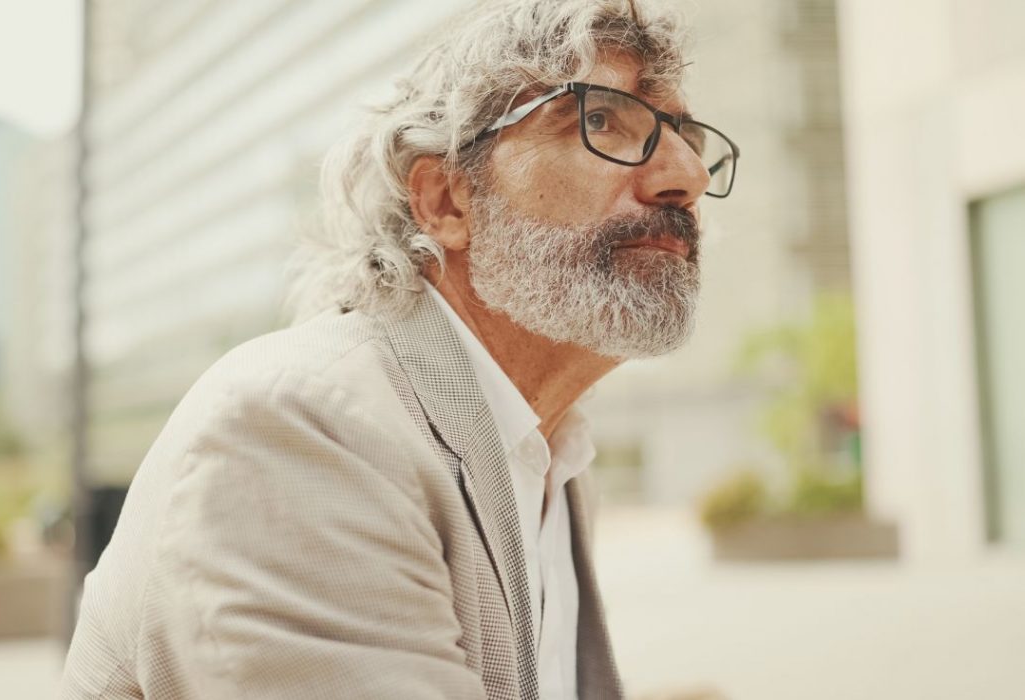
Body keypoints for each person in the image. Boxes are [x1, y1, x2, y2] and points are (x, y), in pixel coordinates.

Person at [59, 0, 739, 697]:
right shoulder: (300, 430)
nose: (687, 175)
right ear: (445, 202)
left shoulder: (550, 460)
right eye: (599, 120)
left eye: (684, 135)